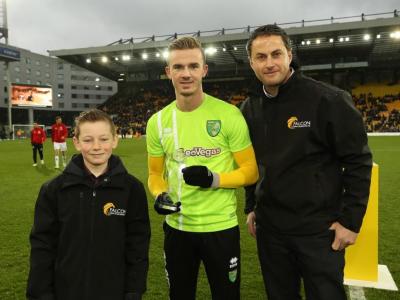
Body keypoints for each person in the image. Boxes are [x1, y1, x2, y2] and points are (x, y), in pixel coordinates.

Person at [240, 24, 373, 300]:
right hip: (271, 232)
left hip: (319, 231)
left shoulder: (328, 100)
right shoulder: (248, 109)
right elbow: (251, 163)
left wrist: (351, 221)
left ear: (289, 55)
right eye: (261, 57)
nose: (269, 63)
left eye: (276, 54)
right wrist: (252, 205)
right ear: (251, 62)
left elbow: (358, 161)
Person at [146, 37, 259, 300]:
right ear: (168, 72)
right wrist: (159, 195)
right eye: (178, 67)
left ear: (204, 70)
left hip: (221, 228)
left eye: (193, 66)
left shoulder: (229, 115)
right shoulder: (157, 122)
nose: (186, 73)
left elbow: (251, 171)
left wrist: (214, 179)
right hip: (178, 229)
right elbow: (154, 174)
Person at [27, 109, 151, 300]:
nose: (96, 147)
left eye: (103, 139)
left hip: (114, 290)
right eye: (87, 140)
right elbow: (42, 246)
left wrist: (134, 291)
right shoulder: (53, 190)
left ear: (115, 140)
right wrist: (41, 293)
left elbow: (138, 244)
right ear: (76, 142)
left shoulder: (132, 189)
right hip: (66, 291)